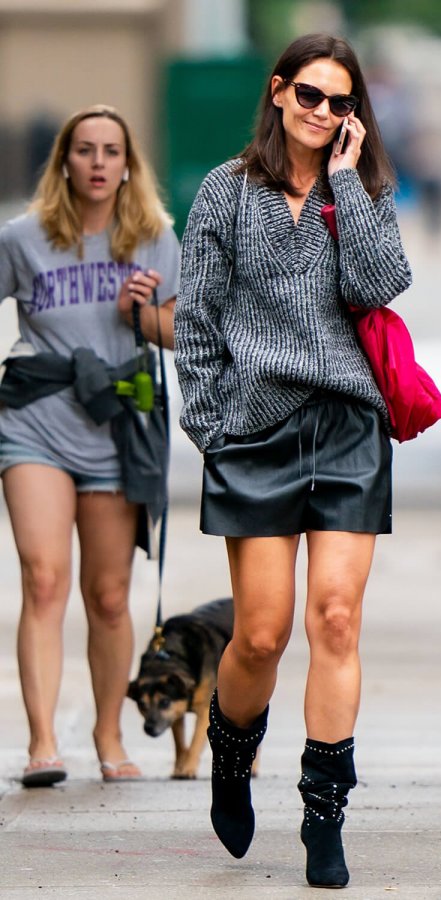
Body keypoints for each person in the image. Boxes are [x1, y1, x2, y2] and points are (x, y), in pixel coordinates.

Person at [175, 34, 412, 888]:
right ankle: (232, 758)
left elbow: (381, 285)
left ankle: (324, 816)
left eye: (341, 103)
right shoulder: (224, 192)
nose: (322, 113)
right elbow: (196, 319)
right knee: (262, 633)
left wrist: (348, 182)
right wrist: (212, 426)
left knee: (336, 619)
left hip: (348, 424)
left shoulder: (363, 190)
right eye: (309, 95)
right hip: (256, 432)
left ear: (355, 116)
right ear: (278, 93)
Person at [0, 104, 180, 787]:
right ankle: (43, 742)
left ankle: (108, 735)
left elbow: (183, 333)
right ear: (64, 162)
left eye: (111, 150)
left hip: (116, 427)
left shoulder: (155, 239)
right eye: (85, 150)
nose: (99, 162)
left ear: (128, 163)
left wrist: (140, 311)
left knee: (108, 596)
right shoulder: (23, 238)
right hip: (36, 419)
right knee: (43, 578)